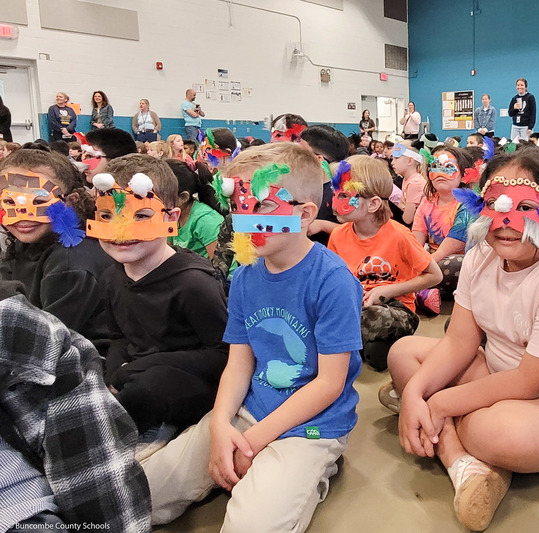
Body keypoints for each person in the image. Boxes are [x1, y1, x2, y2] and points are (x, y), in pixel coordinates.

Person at [382, 149, 539, 532]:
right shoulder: (482, 256)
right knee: (403, 354)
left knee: (494, 433)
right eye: (494, 204)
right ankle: (467, 466)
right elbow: (460, 341)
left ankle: (457, 440)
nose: (506, 222)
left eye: (526, 206)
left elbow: (531, 381)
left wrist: (437, 400)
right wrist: (415, 393)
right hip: (496, 373)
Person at [142, 142, 363, 532]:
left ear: (304, 214)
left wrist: (254, 441)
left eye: (260, 206)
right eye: (238, 204)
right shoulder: (245, 275)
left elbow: (330, 384)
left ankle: (319, 467)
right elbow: (240, 361)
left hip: (312, 425)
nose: (245, 218)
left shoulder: (332, 281)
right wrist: (221, 425)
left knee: (251, 524)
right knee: (143, 491)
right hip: (252, 408)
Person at [88, 154, 228, 446]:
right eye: (107, 215)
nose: (121, 231)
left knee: (145, 390)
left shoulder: (194, 282)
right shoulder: (112, 276)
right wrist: (113, 374)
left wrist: (137, 370)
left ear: (171, 218)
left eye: (140, 215)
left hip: (187, 382)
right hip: (135, 375)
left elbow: (222, 354)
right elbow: (118, 336)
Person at [0, 280, 151, 533]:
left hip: (110, 384)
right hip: (106, 375)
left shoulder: (73, 270)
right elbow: (119, 337)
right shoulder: (24, 260)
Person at [328, 155, 442, 371]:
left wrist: (388, 291)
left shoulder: (399, 235)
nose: (334, 201)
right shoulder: (338, 235)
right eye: (335, 194)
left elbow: (434, 275)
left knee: (374, 318)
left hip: (394, 308)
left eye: (344, 195)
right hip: (356, 307)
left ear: (373, 203)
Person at [0, 148, 114, 354]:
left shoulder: (71, 263)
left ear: (70, 201)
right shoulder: (29, 240)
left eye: (40, 202)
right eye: (9, 201)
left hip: (81, 368)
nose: (23, 215)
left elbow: (45, 343)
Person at [412, 146, 474, 299]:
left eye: (449, 167)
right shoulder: (427, 203)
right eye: (435, 166)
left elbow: (452, 246)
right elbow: (415, 243)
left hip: (456, 259)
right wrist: (411, 262)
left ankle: (415, 288)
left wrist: (422, 267)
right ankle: (421, 291)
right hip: (431, 260)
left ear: (463, 174)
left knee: (456, 265)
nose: (440, 173)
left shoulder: (467, 203)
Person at [166, 159, 224, 258]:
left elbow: (222, 266)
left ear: (183, 197)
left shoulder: (205, 220)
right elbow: (167, 254)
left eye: (160, 194)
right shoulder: (172, 215)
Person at [391, 142, 427, 225]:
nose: (392, 162)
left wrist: (404, 207)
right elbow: (401, 204)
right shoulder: (408, 179)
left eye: (396, 158)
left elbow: (407, 219)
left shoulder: (414, 183)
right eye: (392, 159)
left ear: (410, 160)